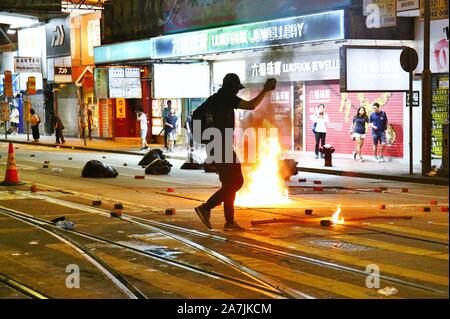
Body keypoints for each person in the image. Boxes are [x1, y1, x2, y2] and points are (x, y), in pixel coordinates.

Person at [194, 73, 276, 231]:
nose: (237, 93)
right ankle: (206, 208)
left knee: (228, 183)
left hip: (214, 144)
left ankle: (230, 222)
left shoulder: (214, 98)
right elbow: (251, 106)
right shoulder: (226, 97)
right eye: (236, 89)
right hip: (220, 145)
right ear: (232, 88)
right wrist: (265, 90)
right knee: (237, 181)